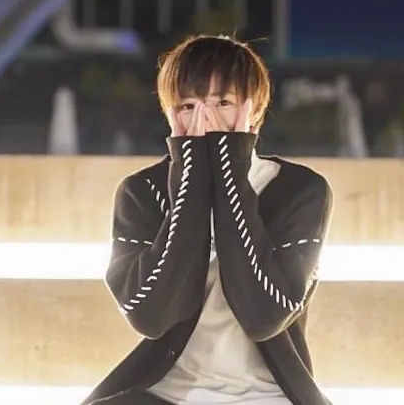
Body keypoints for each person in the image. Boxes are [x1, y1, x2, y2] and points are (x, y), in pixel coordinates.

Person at [81, 35, 333, 405]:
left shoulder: (301, 190)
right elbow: (150, 316)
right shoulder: (142, 192)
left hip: (269, 396)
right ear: (171, 115)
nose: (205, 119)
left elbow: (265, 314)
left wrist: (230, 167)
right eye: (188, 106)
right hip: (166, 395)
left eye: (222, 103)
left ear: (254, 110)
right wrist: (191, 180)